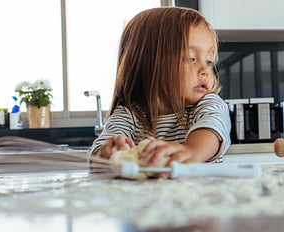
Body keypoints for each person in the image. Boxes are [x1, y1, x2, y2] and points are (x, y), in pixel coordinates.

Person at [88, 7, 231, 168]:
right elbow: (97, 158)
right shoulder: (129, 115)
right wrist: (109, 152)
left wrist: (190, 151)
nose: (206, 70)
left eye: (208, 61)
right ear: (150, 64)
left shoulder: (209, 104)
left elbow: (212, 130)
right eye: (191, 58)